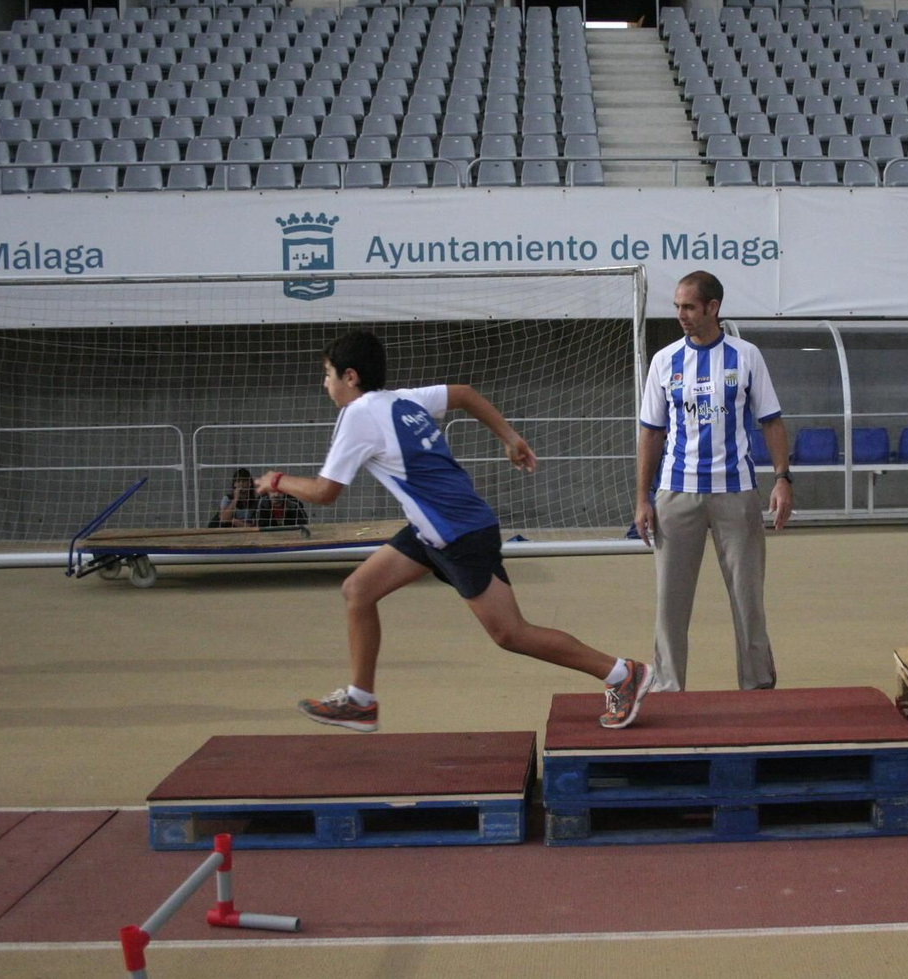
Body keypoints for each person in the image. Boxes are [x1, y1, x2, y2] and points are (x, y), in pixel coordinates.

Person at [256, 330, 653, 733]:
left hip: (458, 532)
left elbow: (325, 492)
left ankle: (622, 673)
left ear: (351, 377)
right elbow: (463, 393)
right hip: (432, 530)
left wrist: (277, 480)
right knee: (358, 590)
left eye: (328, 374)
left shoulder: (358, 415)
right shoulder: (404, 399)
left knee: (511, 633)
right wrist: (510, 437)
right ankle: (361, 701)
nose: (325, 384)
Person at [634, 270, 792, 692]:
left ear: (712, 308)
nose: (681, 315)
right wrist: (642, 499)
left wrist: (782, 479)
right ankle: (668, 687)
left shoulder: (746, 356)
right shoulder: (665, 361)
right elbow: (651, 432)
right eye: (677, 307)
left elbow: (771, 421)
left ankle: (757, 684)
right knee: (670, 602)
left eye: (688, 306)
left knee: (747, 598)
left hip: (736, 494)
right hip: (675, 494)